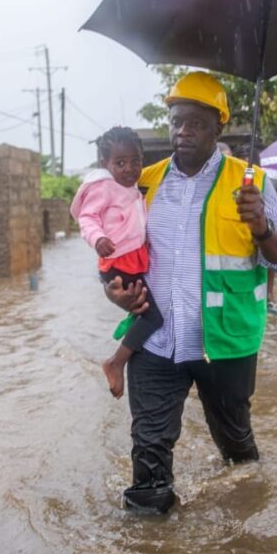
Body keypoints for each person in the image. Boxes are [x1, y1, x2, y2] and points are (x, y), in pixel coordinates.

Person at [102, 71, 277, 514]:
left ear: (219, 126)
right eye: (176, 121)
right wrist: (116, 293)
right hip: (155, 341)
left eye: (195, 123)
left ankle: (245, 521)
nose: (183, 131)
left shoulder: (252, 183)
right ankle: (150, 541)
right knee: (148, 458)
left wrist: (262, 227)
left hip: (225, 342)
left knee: (236, 449)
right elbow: (115, 255)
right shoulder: (142, 183)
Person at [70, 127, 164, 398]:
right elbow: (87, 218)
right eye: (120, 163)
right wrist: (98, 238)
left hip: (130, 259)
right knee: (154, 316)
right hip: (118, 262)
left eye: (135, 161)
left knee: (144, 308)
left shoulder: (131, 186)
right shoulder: (104, 187)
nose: (129, 169)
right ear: (105, 164)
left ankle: (127, 338)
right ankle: (116, 362)